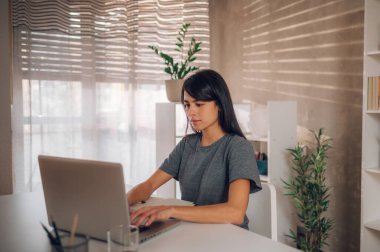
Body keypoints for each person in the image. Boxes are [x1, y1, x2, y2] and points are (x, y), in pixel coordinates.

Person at [127, 69, 262, 230]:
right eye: (187, 105)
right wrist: (120, 204)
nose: (190, 112)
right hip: (193, 231)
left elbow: (235, 213)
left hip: (228, 237)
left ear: (219, 104)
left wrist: (171, 210)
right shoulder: (187, 145)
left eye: (199, 104)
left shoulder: (238, 147)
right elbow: (149, 186)